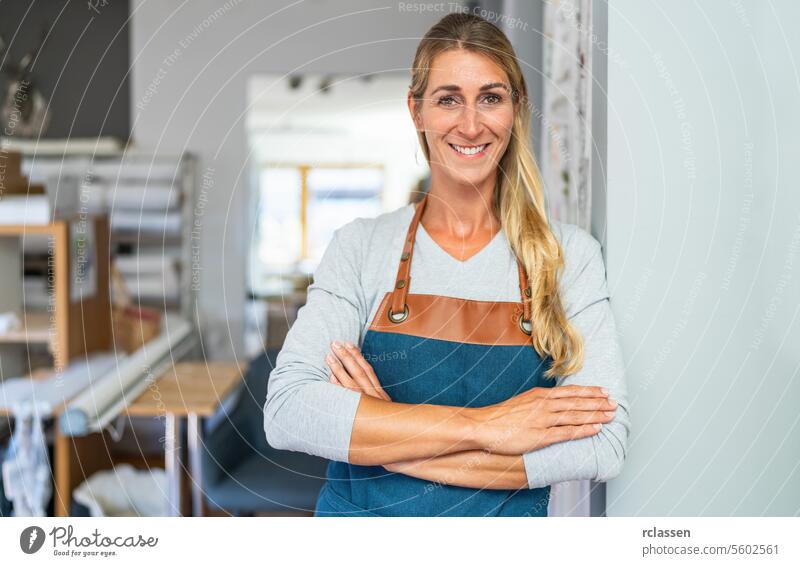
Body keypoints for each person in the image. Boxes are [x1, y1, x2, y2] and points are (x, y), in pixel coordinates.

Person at [264, 12, 629, 517]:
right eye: (448, 99)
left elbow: (602, 443)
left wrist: (387, 432)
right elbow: (288, 414)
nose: (471, 123)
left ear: (517, 109)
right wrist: (485, 427)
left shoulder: (569, 258)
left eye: (491, 98)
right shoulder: (361, 248)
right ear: (416, 111)